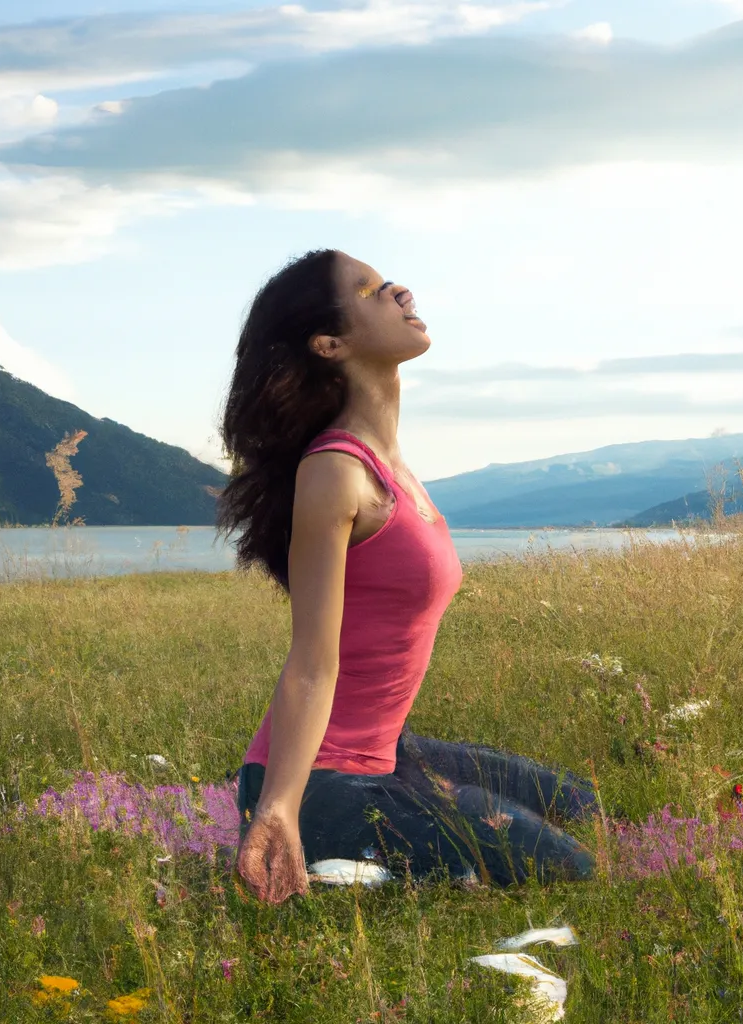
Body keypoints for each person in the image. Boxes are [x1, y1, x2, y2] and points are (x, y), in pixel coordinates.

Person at [214, 249, 597, 905]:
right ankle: (311, 838)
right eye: (369, 290)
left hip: (385, 751)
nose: (398, 291)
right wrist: (279, 806)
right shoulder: (336, 472)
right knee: (568, 870)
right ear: (330, 343)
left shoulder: (393, 467)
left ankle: (372, 854)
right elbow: (311, 662)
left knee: (575, 801)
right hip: (323, 779)